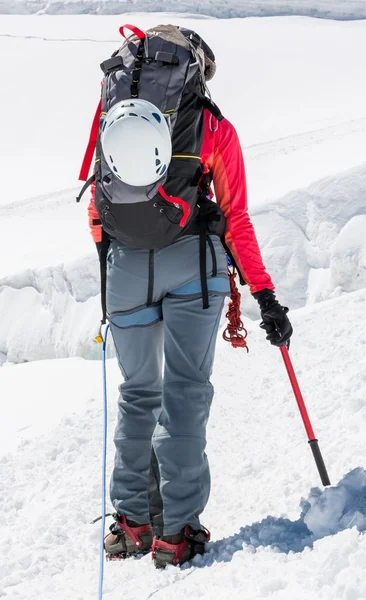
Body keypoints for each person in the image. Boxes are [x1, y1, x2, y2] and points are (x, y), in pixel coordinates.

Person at [87, 27, 293, 569]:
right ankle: (175, 533)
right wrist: (264, 293)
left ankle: (130, 524)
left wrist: (113, 263)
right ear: (197, 72)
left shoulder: (112, 114)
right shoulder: (211, 125)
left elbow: (96, 199)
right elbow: (237, 218)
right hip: (193, 267)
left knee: (138, 393)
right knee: (184, 393)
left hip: (126, 267)